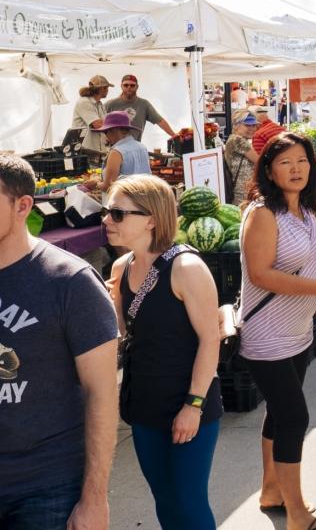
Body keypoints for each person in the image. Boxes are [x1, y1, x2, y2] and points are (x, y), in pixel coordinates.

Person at [239, 132, 316, 530]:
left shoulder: (306, 211)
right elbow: (262, 275)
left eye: (303, 161)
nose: (296, 169)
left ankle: (272, 491)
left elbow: (307, 264)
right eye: (286, 162)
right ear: (269, 170)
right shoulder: (262, 213)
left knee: (280, 413)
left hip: (297, 331)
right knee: (293, 417)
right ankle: (297, 515)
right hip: (266, 333)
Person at [0, 154, 118, 530]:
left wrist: (95, 498)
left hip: (47, 487)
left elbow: (102, 394)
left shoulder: (69, 282)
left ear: (23, 206)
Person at [104, 175, 224, 530]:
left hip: (188, 402)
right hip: (143, 403)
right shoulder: (120, 268)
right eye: (106, 213)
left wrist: (194, 405)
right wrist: (106, 301)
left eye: (117, 213)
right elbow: (124, 335)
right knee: (165, 500)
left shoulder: (187, 268)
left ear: (152, 219)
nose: (107, 220)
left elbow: (210, 340)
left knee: (189, 503)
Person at [105, 73, 176, 142]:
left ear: (137, 87)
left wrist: (173, 135)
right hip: (114, 147)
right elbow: (98, 122)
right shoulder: (111, 104)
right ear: (121, 86)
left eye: (132, 85)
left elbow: (160, 121)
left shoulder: (144, 104)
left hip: (135, 145)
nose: (129, 87)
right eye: (126, 85)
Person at [98, 111, 151, 191]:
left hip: (123, 201)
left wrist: (96, 183)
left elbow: (108, 187)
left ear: (114, 130)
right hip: (142, 199)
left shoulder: (116, 152)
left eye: (106, 131)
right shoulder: (142, 147)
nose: (106, 135)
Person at [72, 75, 114, 165]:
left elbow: (104, 124)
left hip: (96, 152)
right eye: (106, 87)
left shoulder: (100, 104)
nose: (107, 90)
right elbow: (98, 124)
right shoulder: (84, 102)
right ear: (100, 89)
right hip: (85, 152)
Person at [224, 109, 260, 204]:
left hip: (245, 192)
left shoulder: (237, 140)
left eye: (254, 125)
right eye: (247, 125)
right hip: (241, 194)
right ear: (236, 126)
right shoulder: (237, 140)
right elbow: (259, 161)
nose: (252, 128)